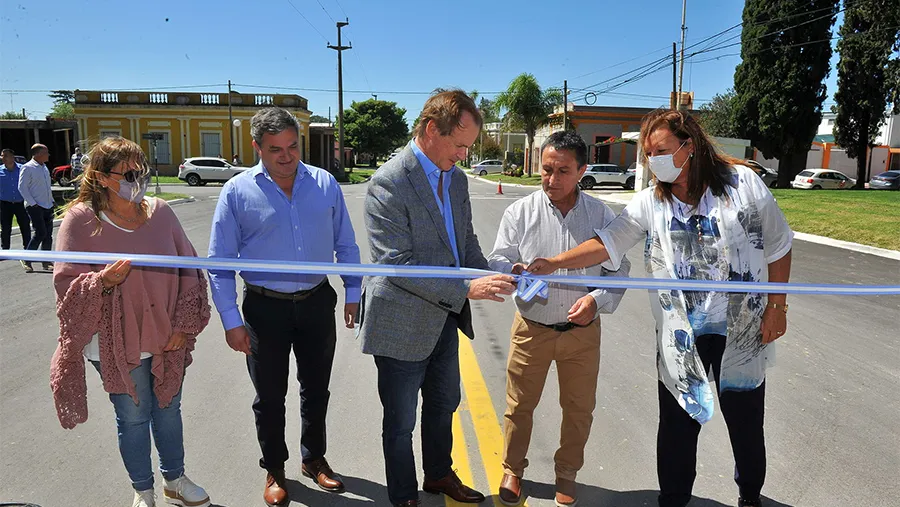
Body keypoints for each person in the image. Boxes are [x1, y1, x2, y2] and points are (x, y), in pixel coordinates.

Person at [527, 109, 793, 507]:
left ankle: (749, 495)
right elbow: (609, 242)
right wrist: (555, 263)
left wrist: (777, 307)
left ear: (690, 145)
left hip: (741, 327)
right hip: (681, 331)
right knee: (676, 424)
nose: (655, 161)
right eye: (649, 153)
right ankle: (673, 498)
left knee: (745, 418)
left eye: (662, 150)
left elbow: (778, 244)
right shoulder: (651, 201)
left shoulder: (744, 185)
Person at [358, 89, 516, 507]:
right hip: (401, 323)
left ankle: (438, 474)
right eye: (459, 144)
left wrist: (493, 273)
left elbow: (463, 240)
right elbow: (396, 263)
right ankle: (404, 494)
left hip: (445, 319)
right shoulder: (389, 182)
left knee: (444, 404)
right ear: (431, 130)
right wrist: (466, 288)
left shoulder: (457, 179)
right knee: (400, 421)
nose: (464, 155)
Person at [208, 107, 361, 507]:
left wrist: (352, 290)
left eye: (293, 146)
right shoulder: (238, 192)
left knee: (316, 390)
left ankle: (314, 459)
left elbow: (345, 243)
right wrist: (231, 320)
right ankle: (275, 467)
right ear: (257, 146)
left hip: (316, 302)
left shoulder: (324, 184)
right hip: (264, 310)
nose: (286, 156)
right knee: (270, 397)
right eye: (275, 149)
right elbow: (219, 264)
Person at [50, 136, 212, 507]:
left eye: (142, 170)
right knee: (134, 416)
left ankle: (175, 479)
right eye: (129, 173)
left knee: (169, 407)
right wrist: (102, 281)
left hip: (165, 332)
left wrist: (183, 326)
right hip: (113, 339)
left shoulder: (161, 212)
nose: (138, 179)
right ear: (104, 178)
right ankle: (143, 490)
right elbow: (66, 285)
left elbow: (189, 266)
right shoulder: (80, 220)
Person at [488, 130, 631, 507]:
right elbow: (498, 257)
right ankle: (512, 469)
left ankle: (566, 474)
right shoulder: (519, 212)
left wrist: (596, 302)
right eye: (546, 169)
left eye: (562, 171)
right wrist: (512, 269)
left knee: (579, 408)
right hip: (531, 329)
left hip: (581, 333)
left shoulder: (601, 215)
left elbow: (621, 271)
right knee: (519, 406)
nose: (551, 179)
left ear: (582, 170)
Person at [17, 143, 55, 272]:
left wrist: (52, 201)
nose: (48, 155)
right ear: (38, 154)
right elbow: (22, 187)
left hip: (47, 205)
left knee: (48, 235)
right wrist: (33, 203)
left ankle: (46, 261)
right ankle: (27, 259)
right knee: (40, 233)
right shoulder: (27, 168)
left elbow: (46, 187)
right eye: (46, 152)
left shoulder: (44, 167)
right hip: (35, 206)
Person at [0, 148, 31, 251]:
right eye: (2, 156)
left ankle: (28, 249)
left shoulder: (22, 169)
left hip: (21, 203)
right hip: (5, 204)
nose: (2, 158)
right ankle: (5, 249)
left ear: (12, 157)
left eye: (5, 156)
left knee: (25, 226)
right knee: (5, 228)